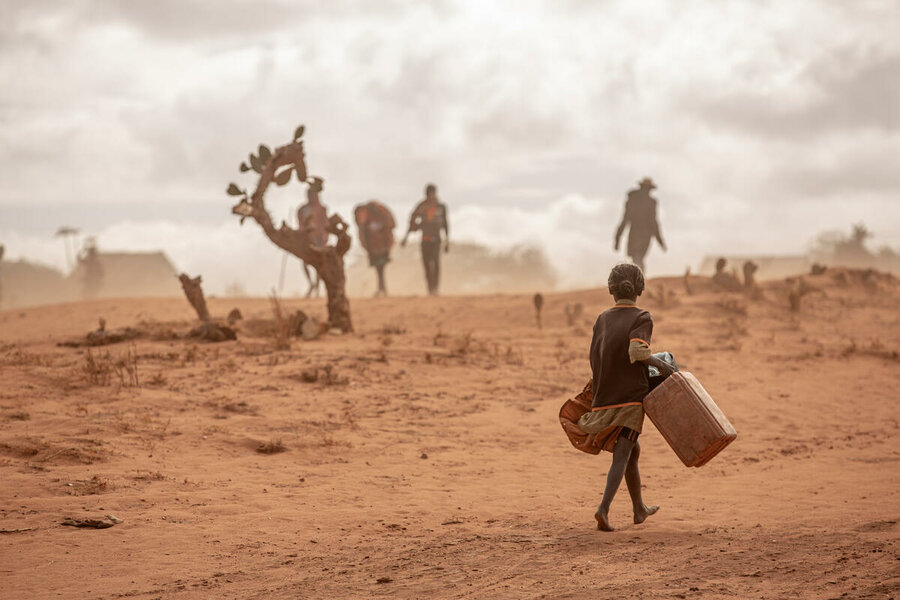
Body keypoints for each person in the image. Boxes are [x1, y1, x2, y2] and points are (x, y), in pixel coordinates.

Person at [577, 263, 676, 532]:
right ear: (639, 289)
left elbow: (594, 356)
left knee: (633, 451)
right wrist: (663, 365)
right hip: (630, 398)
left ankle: (638, 509)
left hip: (605, 393)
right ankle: (603, 510)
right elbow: (637, 353)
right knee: (622, 454)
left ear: (611, 289)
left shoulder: (602, 318)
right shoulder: (641, 317)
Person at [402, 183, 449, 296]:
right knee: (427, 265)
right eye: (429, 193)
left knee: (436, 264)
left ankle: (435, 288)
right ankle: (430, 289)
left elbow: (446, 224)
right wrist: (406, 237)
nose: (431, 196)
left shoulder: (441, 207)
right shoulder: (421, 206)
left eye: (432, 193)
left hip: (436, 240)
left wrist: (447, 241)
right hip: (425, 240)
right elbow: (412, 221)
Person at [614, 177, 666, 273]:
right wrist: (660, 241)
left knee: (637, 258)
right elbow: (653, 222)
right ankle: (640, 279)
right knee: (638, 258)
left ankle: (639, 279)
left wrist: (617, 238)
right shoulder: (650, 202)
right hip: (644, 235)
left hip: (635, 233)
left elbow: (625, 220)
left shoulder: (633, 200)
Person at [354, 200, 396, 297]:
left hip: (382, 247)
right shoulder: (366, 218)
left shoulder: (380, 214)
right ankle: (382, 288)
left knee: (380, 269)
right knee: (379, 269)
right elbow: (362, 233)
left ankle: (382, 289)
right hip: (375, 248)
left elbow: (391, 225)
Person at [297, 177, 329, 297]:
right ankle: (311, 284)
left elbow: (326, 224)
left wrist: (325, 236)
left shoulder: (322, 209)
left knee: (319, 264)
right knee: (305, 263)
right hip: (307, 238)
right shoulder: (302, 209)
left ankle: (316, 287)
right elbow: (300, 224)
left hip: (319, 239)